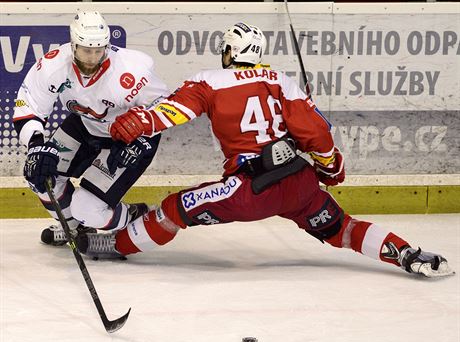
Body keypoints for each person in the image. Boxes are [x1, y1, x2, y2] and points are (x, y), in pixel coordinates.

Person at [80, 22, 453, 278]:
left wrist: (138, 122)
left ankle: (114, 244)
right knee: (343, 228)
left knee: (175, 208)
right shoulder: (280, 79)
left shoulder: (210, 80)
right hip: (300, 185)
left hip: (248, 191)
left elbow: (172, 111)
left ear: (231, 50)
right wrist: (331, 168)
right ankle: (407, 254)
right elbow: (316, 134)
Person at [13, 11, 169, 245]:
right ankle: (75, 230)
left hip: (129, 138)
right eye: (86, 50)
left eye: (99, 51)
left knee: (88, 208)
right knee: (40, 177)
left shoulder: (132, 69)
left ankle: (134, 218)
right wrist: (35, 145)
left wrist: (140, 139)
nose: (92, 58)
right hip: (84, 125)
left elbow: (165, 106)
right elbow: (29, 106)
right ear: (73, 45)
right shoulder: (52, 65)